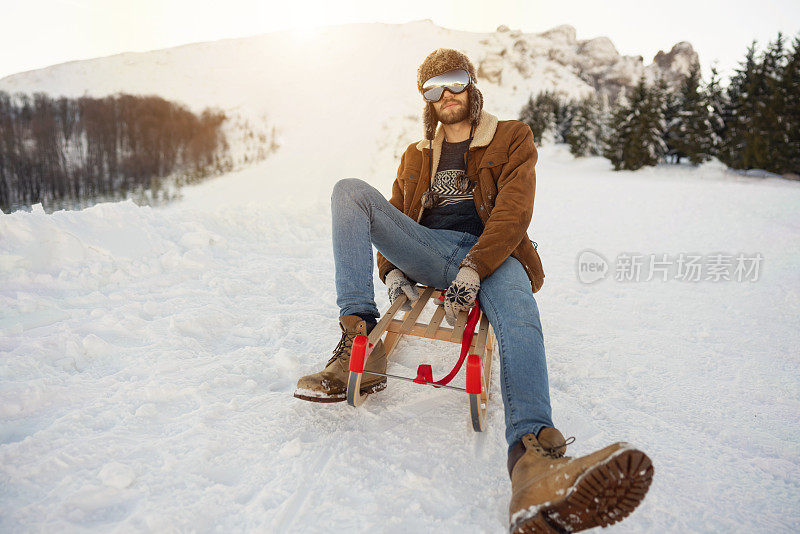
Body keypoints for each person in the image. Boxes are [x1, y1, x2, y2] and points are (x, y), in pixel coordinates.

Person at [294, 48, 653, 533]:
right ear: (426, 98)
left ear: (472, 83)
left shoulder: (511, 137)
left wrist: (475, 268)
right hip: (432, 250)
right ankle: (357, 339)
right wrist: (391, 272)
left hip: (495, 253)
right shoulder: (416, 153)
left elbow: (513, 211)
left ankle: (534, 463)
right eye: (432, 88)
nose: (445, 94)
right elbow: (397, 214)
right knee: (349, 191)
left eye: (454, 81)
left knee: (520, 314)